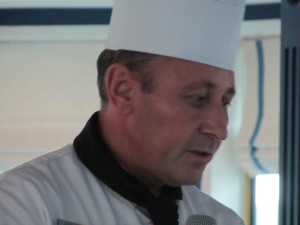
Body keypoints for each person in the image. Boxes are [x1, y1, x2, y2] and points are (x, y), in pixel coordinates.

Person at [0, 0, 246, 224]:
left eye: (225, 102)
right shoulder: (23, 200)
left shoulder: (221, 219)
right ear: (123, 89)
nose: (220, 128)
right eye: (198, 98)